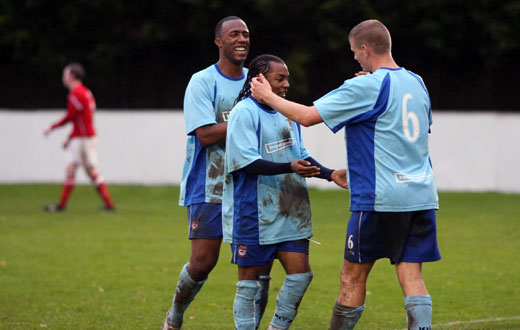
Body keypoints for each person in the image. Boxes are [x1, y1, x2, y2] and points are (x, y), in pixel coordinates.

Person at [251, 19, 441, 330]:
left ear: (365, 49)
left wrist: (267, 96)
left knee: (352, 275)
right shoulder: (416, 82)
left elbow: (308, 116)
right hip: (421, 194)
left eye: (355, 53)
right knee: (411, 275)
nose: (355, 58)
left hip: (381, 198)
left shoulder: (365, 86)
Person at [224, 54, 348, 330]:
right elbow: (245, 162)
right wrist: (289, 166)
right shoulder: (244, 112)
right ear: (259, 80)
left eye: (287, 78)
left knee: (301, 276)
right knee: (248, 286)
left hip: (291, 212)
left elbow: (300, 154)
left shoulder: (285, 112)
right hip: (254, 214)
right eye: (280, 78)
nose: (286, 84)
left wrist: (329, 174)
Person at [162, 16, 252, 330]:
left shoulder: (257, 81)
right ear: (219, 42)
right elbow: (205, 134)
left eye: (245, 34)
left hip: (250, 184)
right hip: (209, 184)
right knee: (202, 263)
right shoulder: (202, 82)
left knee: (256, 265)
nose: (242, 39)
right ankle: (174, 315)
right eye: (234, 34)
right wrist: (248, 121)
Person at [43, 62, 115, 212]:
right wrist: (70, 138)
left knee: (74, 169)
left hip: (83, 138)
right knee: (88, 170)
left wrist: (52, 127)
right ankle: (108, 204)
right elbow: (79, 119)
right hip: (85, 136)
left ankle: (62, 206)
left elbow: (70, 117)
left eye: (65, 74)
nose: (63, 77)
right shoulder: (85, 92)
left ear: (72, 76)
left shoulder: (76, 94)